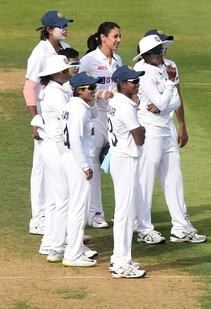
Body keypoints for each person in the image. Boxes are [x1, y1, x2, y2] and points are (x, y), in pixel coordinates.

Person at [132, 35, 206, 244]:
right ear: (146, 55)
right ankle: (144, 228)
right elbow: (163, 101)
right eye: (156, 51)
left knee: (175, 178)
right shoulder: (143, 72)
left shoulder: (167, 68)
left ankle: (181, 228)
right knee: (145, 181)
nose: (161, 53)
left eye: (162, 49)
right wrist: (168, 93)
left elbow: (170, 102)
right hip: (150, 131)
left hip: (166, 128)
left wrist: (166, 99)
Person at [24, 10, 73, 240]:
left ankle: (53, 216)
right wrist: (36, 121)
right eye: (59, 26)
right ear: (48, 30)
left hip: (61, 112)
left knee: (56, 168)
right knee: (41, 168)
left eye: (65, 24)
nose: (64, 28)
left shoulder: (65, 48)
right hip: (45, 115)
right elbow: (29, 88)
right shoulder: (40, 52)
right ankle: (39, 219)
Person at [79, 22, 123, 229]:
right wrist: (98, 94)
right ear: (102, 38)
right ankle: (95, 213)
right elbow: (77, 88)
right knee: (93, 165)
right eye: (115, 36)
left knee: (117, 164)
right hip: (94, 117)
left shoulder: (118, 60)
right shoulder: (89, 60)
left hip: (113, 118)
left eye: (119, 36)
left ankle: (121, 213)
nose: (118, 40)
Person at [107, 65, 147, 278]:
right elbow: (139, 138)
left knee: (124, 212)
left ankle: (120, 258)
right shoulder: (125, 106)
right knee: (125, 213)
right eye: (134, 81)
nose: (137, 83)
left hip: (119, 157)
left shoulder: (116, 101)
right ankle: (120, 262)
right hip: (126, 159)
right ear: (123, 84)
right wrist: (143, 130)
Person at [59, 72, 102, 267]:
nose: (94, 91)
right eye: (90, 88)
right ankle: (73, 254)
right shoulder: (79, 110)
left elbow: (65, 135)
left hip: (70, 159)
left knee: (74, 208)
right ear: (79, 90)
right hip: (78, 161)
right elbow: (75, 138)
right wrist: (85, 165)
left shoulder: (73, 106)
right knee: (78, 209)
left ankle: (74, 248)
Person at [36, 55, 73, 261]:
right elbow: (69, 115)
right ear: (54, 74)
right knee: (61, 198)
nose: (67, 73)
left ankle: (50, 241)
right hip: (55, 146)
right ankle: (58, 244)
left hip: (51, 145)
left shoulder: (57, 89)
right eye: (64, 71)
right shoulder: (53, 93)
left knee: (54, 197)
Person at [144, 29, 188, 148]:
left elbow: (177, 98)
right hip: (149, 127)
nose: (164, 49)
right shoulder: (140, 70)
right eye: (160, 46)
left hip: (168, 125)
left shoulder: (171, 66)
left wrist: (182, 126)